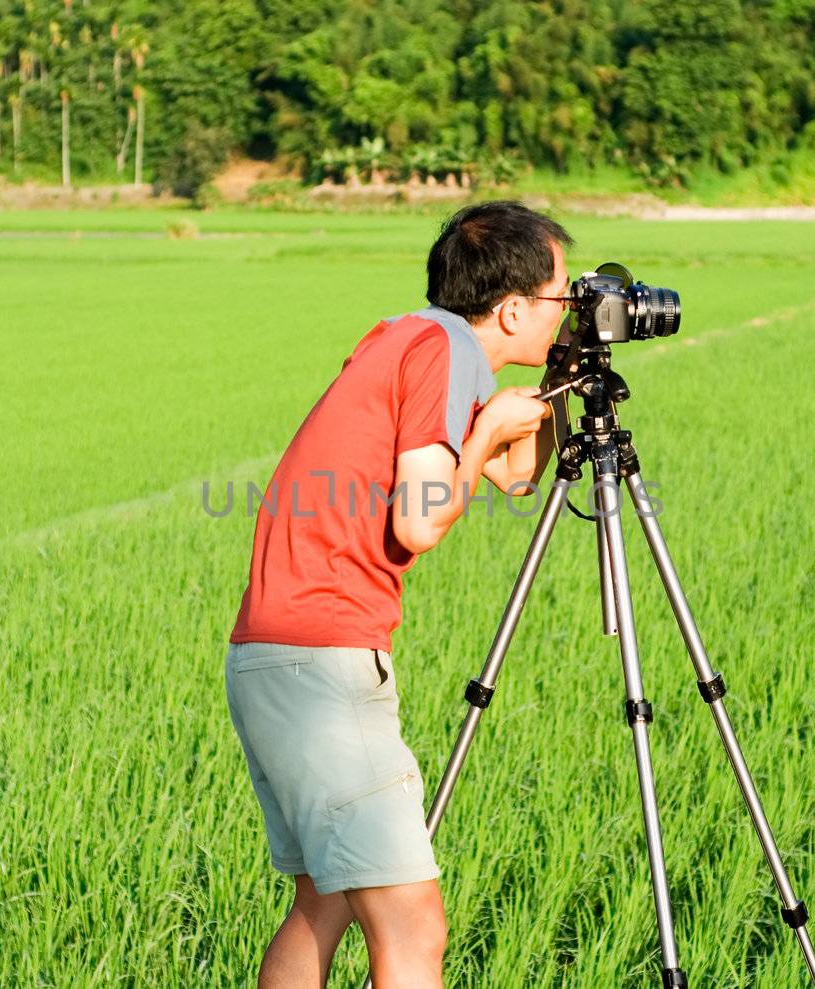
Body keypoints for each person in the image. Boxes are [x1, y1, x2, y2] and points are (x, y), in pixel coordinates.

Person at [224, 200, 574, 988]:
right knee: (414, 924)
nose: (567, 312)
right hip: (325, 665)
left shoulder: (416, 339)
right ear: (513, 307)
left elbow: (517, 477)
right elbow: (418, 522)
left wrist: (558, 388)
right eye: (560, 300)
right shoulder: (441, 352)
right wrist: (485, 435)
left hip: (274, 657)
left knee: (324, 901)